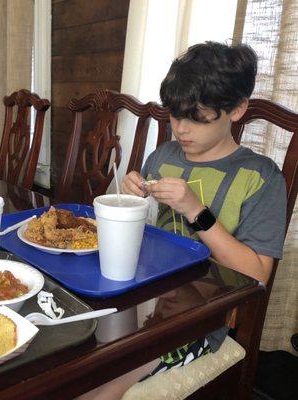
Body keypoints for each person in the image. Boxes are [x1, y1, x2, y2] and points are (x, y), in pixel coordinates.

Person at [77, 41, 287, 399]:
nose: (182, 129)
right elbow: (143, 236)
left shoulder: (260, 177)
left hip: (203, 320)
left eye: (198, 118)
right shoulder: (164, 156)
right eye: (175, 115)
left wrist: (196, 211)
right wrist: (130, 199)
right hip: (143, 297)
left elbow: (256, 275)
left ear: (237, 110)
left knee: (101, 387)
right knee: (70, 358)